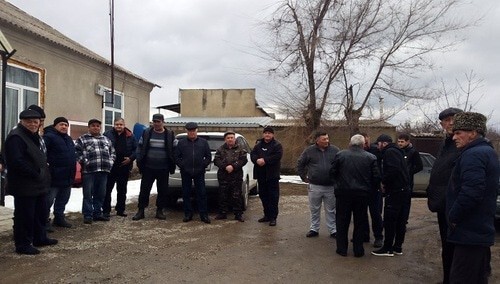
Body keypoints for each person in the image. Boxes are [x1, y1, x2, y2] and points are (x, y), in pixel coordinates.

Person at [446, 112, 499, 283]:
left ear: (473, 133)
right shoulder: (486, 151)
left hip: (470, 232)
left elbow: (472, 192)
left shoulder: (474, 154)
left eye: (458, 132)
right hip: (478, 231)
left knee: (462, 278)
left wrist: (453, 216)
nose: (454, 137)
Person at [4, 109, 57, 255]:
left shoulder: (34, 136)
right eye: (29, 122)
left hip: (38, 184)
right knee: (25, 216)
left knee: (40, 212)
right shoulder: (16, 137)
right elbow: (16, 161)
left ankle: (40, 237)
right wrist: (35, 173)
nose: (33, 124)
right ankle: (23, 244)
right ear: (22, 122)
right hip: (24, 185)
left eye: (36, 121)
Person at [425, 107, 462, 284]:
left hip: (456, 205)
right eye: (446, 120)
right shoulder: (446, 143)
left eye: (453, 118)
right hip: (443, 205)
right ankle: (448, 279)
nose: (450, 123)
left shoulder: (464, 144)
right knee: (447, 247)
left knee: (458, 249)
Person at [330, 134, 380, 257]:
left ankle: (342, 248)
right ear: (364, 144)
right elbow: (376, 177)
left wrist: (337, 185)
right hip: (362, 194)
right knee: (360, 221)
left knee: (342, 221)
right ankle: (358, 249)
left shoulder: (340, 155)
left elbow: (332, 172)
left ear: (350, 143)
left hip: (343, 193)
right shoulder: (371, 157)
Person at [371, 134, 410, 257]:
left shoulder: (389, 152)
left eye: (379, 144)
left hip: (395, 191)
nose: (378, 146)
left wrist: (384, 181)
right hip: (404, 190)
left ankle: (388, 248)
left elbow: (393, 170)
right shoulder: (397, 151)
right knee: (400, 220)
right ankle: (397, 247)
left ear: (384, 143)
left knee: (390, 220)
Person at [133, 114, 175, 221]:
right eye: (154, 122)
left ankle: (159, 211)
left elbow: (175, 148)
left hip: (163, 168)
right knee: (144, 190)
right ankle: (141, 211)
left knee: (162, 191)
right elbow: (140, 146)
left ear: (163, 122)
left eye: (158, 122)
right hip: (148, 168)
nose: (156, 124)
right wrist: (138, 159)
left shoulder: (169, 134)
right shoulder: (147, 132)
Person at [296, 131, 339, 238]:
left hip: (330, 186)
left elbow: (341, 164)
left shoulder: (335, 150)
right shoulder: (309, 151)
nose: (327, 141)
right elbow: (300, 164)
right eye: (324, 139)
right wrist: (303, 177)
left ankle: (333, 230)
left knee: (331, 210)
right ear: (317, 140)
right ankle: (314, 229)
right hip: (315, 186)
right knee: (314, 209)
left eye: (327, 138)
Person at [75, 119, 115, 224]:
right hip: (89, 171)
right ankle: (88, 215)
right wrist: (85, 161)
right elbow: (76, 153)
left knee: (101, 194)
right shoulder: (82, 139)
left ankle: (97, 213)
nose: (95, 127)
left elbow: (113, 153)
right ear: (89, 127)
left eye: (98, 126)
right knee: (88, 194)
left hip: (103, 171)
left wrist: (110, 162)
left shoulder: (106, 139)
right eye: (93, 126)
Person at [174, 122, 212, 224]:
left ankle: (203, 215)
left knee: (202, 194)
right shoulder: (181, 143)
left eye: (194, 131)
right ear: (187, 131)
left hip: (199, 172)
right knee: (186, 193)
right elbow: (176, 157)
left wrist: (203, 165)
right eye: (190, 131)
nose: (192, 133)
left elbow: (208, 157)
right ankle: (188, 214)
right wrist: (183, 165)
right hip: (185, 172)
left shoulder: (203, 142)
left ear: (196, 131)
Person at [43, 117, 76, 228]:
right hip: (54, 177)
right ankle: (44, 221)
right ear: (55, 125)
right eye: (61, 124)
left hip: (67, 176)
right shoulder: (48, 137)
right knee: (48, 201)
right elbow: (43, 155)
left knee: (63, 200)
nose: (64, 127)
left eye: (66, 125)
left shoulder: (68, 139)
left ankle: (59, 218)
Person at [103, 118, 137, 218]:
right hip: (110, 167)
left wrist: (130, 159)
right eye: (117, 124)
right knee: (107, 189)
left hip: (124, 167)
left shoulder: (130, 135)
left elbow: (137, 149)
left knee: (122, 190)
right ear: (114, 125)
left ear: (124, 125)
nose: (119, 126)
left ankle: (120, 210)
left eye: (121, 124)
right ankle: (106, 211)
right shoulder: (107, 134)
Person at [251, 126, 283, 226]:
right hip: (261, 175)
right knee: (263, 195)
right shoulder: (258, 145)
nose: (267, 135)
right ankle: (267, 215)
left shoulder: (277, 145)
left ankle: (273, 217)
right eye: (265, 133)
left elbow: (277, 156)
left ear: (272, 134)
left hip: (272, 175)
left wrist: (265, 160)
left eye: (269, 133)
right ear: (263, 134)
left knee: (273, 197)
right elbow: (253, 154)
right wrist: (257, 160)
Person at [213, 131, 248, 222]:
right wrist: (225, 166)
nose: (230, 139)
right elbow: (216, 160)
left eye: (232, 137)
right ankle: (222, 213)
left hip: (236, 175)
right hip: (223, 176)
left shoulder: (241, 149)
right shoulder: (220, 149)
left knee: (236, 195)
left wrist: (234, 166)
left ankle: (238, 214)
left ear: (234, 139)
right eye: (228, 138)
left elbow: (243, 160)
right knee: (222, 195)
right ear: (225, 139)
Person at [360, 132, 384, 248]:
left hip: (374, 187)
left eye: (366, 141)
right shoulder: (356, 152)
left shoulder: (376, 151)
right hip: (361, 188)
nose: (364, 144)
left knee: (376, 214)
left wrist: (381, 182)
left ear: (368, 140)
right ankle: (364, 235)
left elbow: (382, 167)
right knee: (362, 214)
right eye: (362, 142)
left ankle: (378, 237)